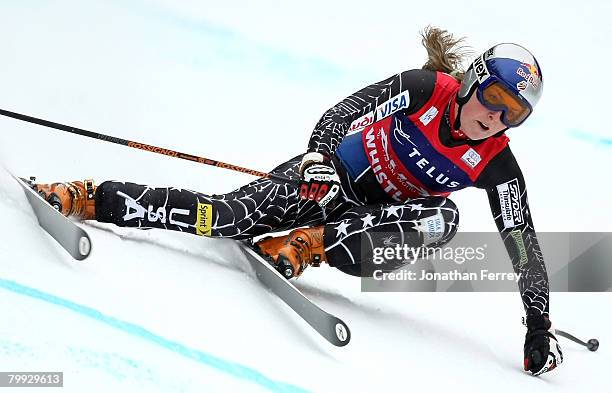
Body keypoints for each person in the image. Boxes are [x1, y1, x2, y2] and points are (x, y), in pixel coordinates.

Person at [29, 27, 562, 376]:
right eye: (494, 99)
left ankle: (306, 246)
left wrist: (538, 328)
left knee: (444, 218)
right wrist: (320, 161)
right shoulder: (427, 89)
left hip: (362, 229)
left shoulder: (496, 163)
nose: (495, 118)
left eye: (512, 114)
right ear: (474, 84)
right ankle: (88, 197)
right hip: (323, 183)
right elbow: (341, 114)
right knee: (224, 217)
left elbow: (524, 248)